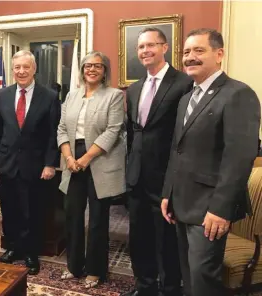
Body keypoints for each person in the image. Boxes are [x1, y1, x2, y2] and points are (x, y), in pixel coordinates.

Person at [161, 28, 260, 296]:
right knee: (189, 274)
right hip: (182, 202)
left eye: (198, 50)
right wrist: (168, 193)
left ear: (219, 54)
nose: (190, 57)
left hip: (210, 210)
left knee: (204, 278)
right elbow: (176, 150)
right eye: (186, 52)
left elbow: (239, 157)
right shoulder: (185, 99)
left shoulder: (238, 94)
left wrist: (221, 209)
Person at [123, 28, 193, 296]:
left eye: (151, 45)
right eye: (141, 47)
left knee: (167, 241)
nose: (145, 51)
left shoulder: (183, 83)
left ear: (165, 48)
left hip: (166, 178)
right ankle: (144, 286)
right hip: (137, 177)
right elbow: (133, 133)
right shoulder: (134, 89)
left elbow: (183, 137)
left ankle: (170, 289)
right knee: (139, 239)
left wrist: (174, 180)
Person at [57, 51, 126, 288]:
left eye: (98, 66)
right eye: (88, 65)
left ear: (105, 70)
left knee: (98, 218)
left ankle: (96, 270)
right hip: (71, 160)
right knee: (72, 215)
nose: (92, 69)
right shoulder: (72, 96)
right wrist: (68, 156)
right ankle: (74, 266)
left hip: (99, 159)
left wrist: (85, 158)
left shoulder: (114, 96)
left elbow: (113, 130)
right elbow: (62, 128)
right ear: (82, 69)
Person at [0, 50, 61, 275]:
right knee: (9, 209)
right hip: (7, 162)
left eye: (25, 67)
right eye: (17, 67)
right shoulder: (2, 95)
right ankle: (13, 249)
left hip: (36, 165)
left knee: (33, 211)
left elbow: (53, 133)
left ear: (34, 69)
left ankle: (31, 253)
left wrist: (50, 163)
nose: (21, 71)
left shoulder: (49, 96)